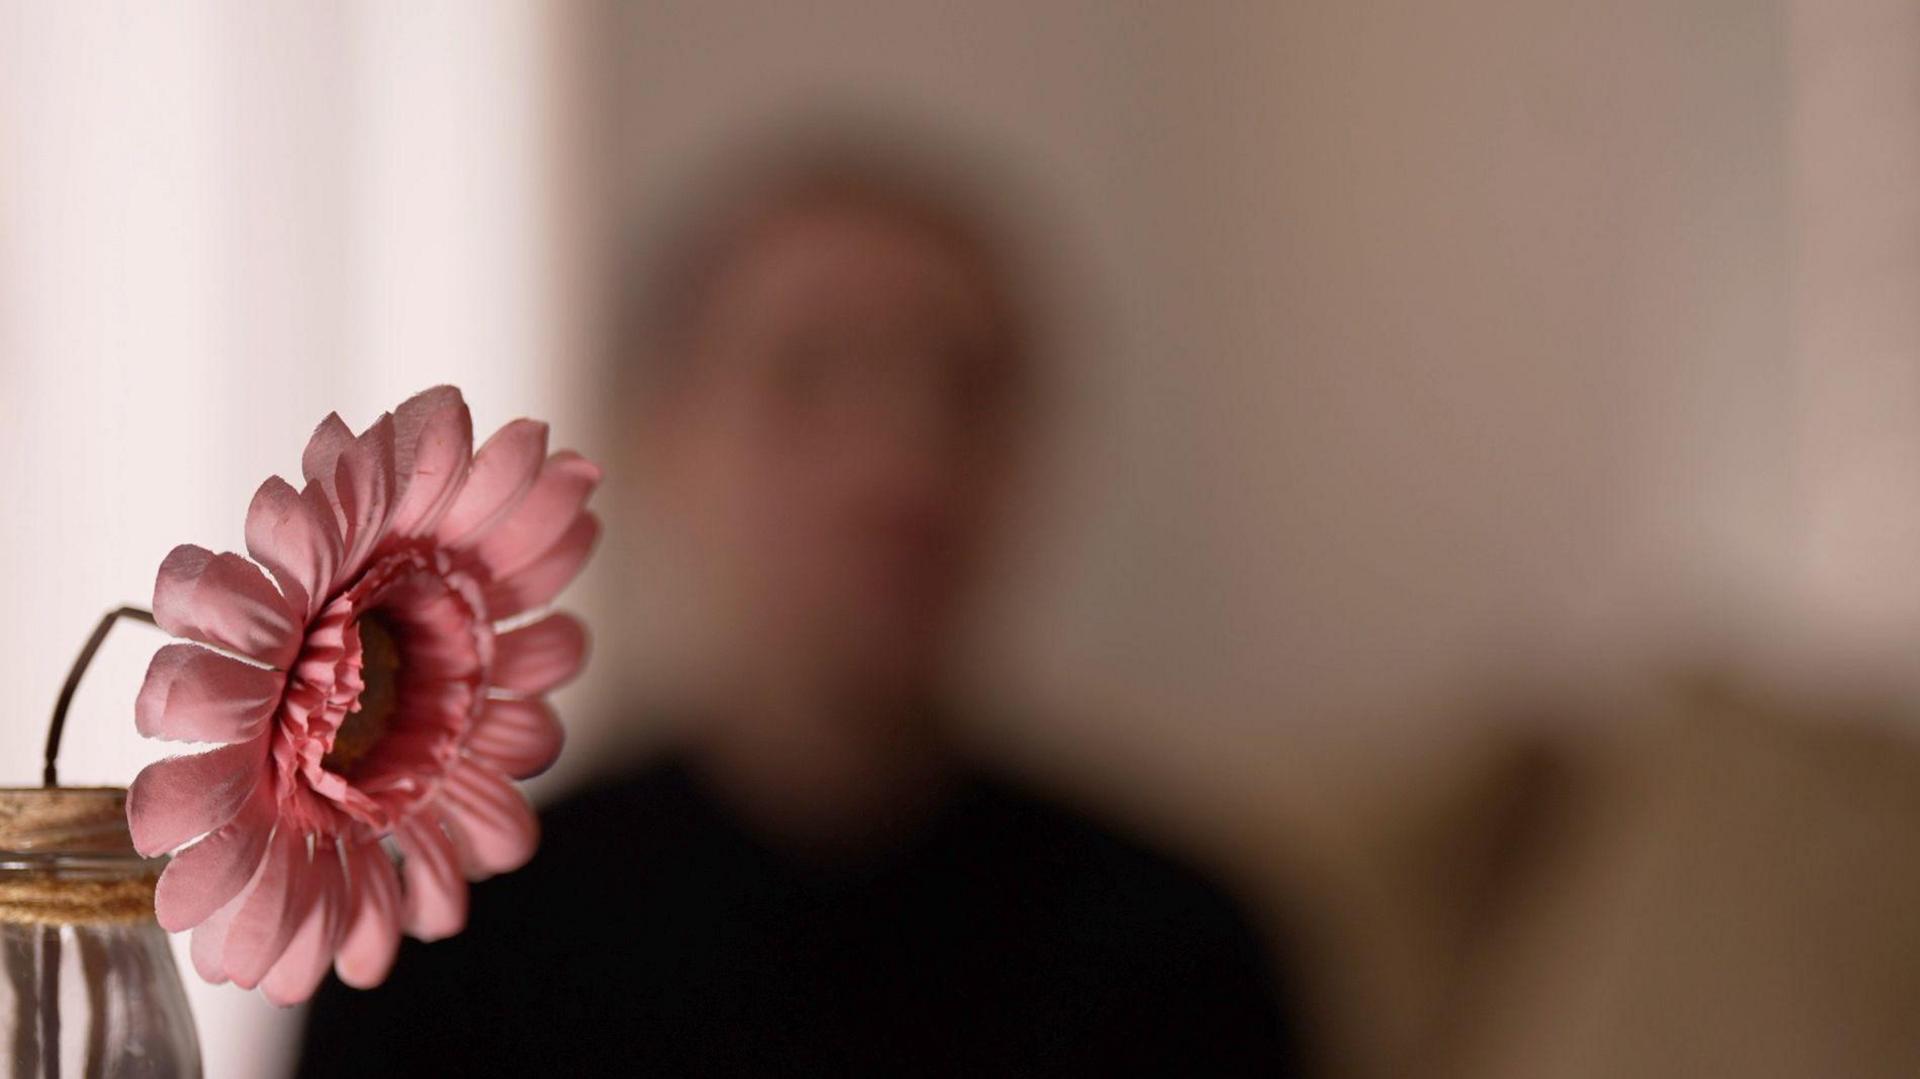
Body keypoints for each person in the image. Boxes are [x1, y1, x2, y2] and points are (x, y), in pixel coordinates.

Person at [297, 124, 1299, 1077]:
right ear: (658, 437)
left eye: (967, 387)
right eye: (807, 377)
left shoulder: (1183, 952)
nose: (900, 466)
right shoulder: (436, 938)